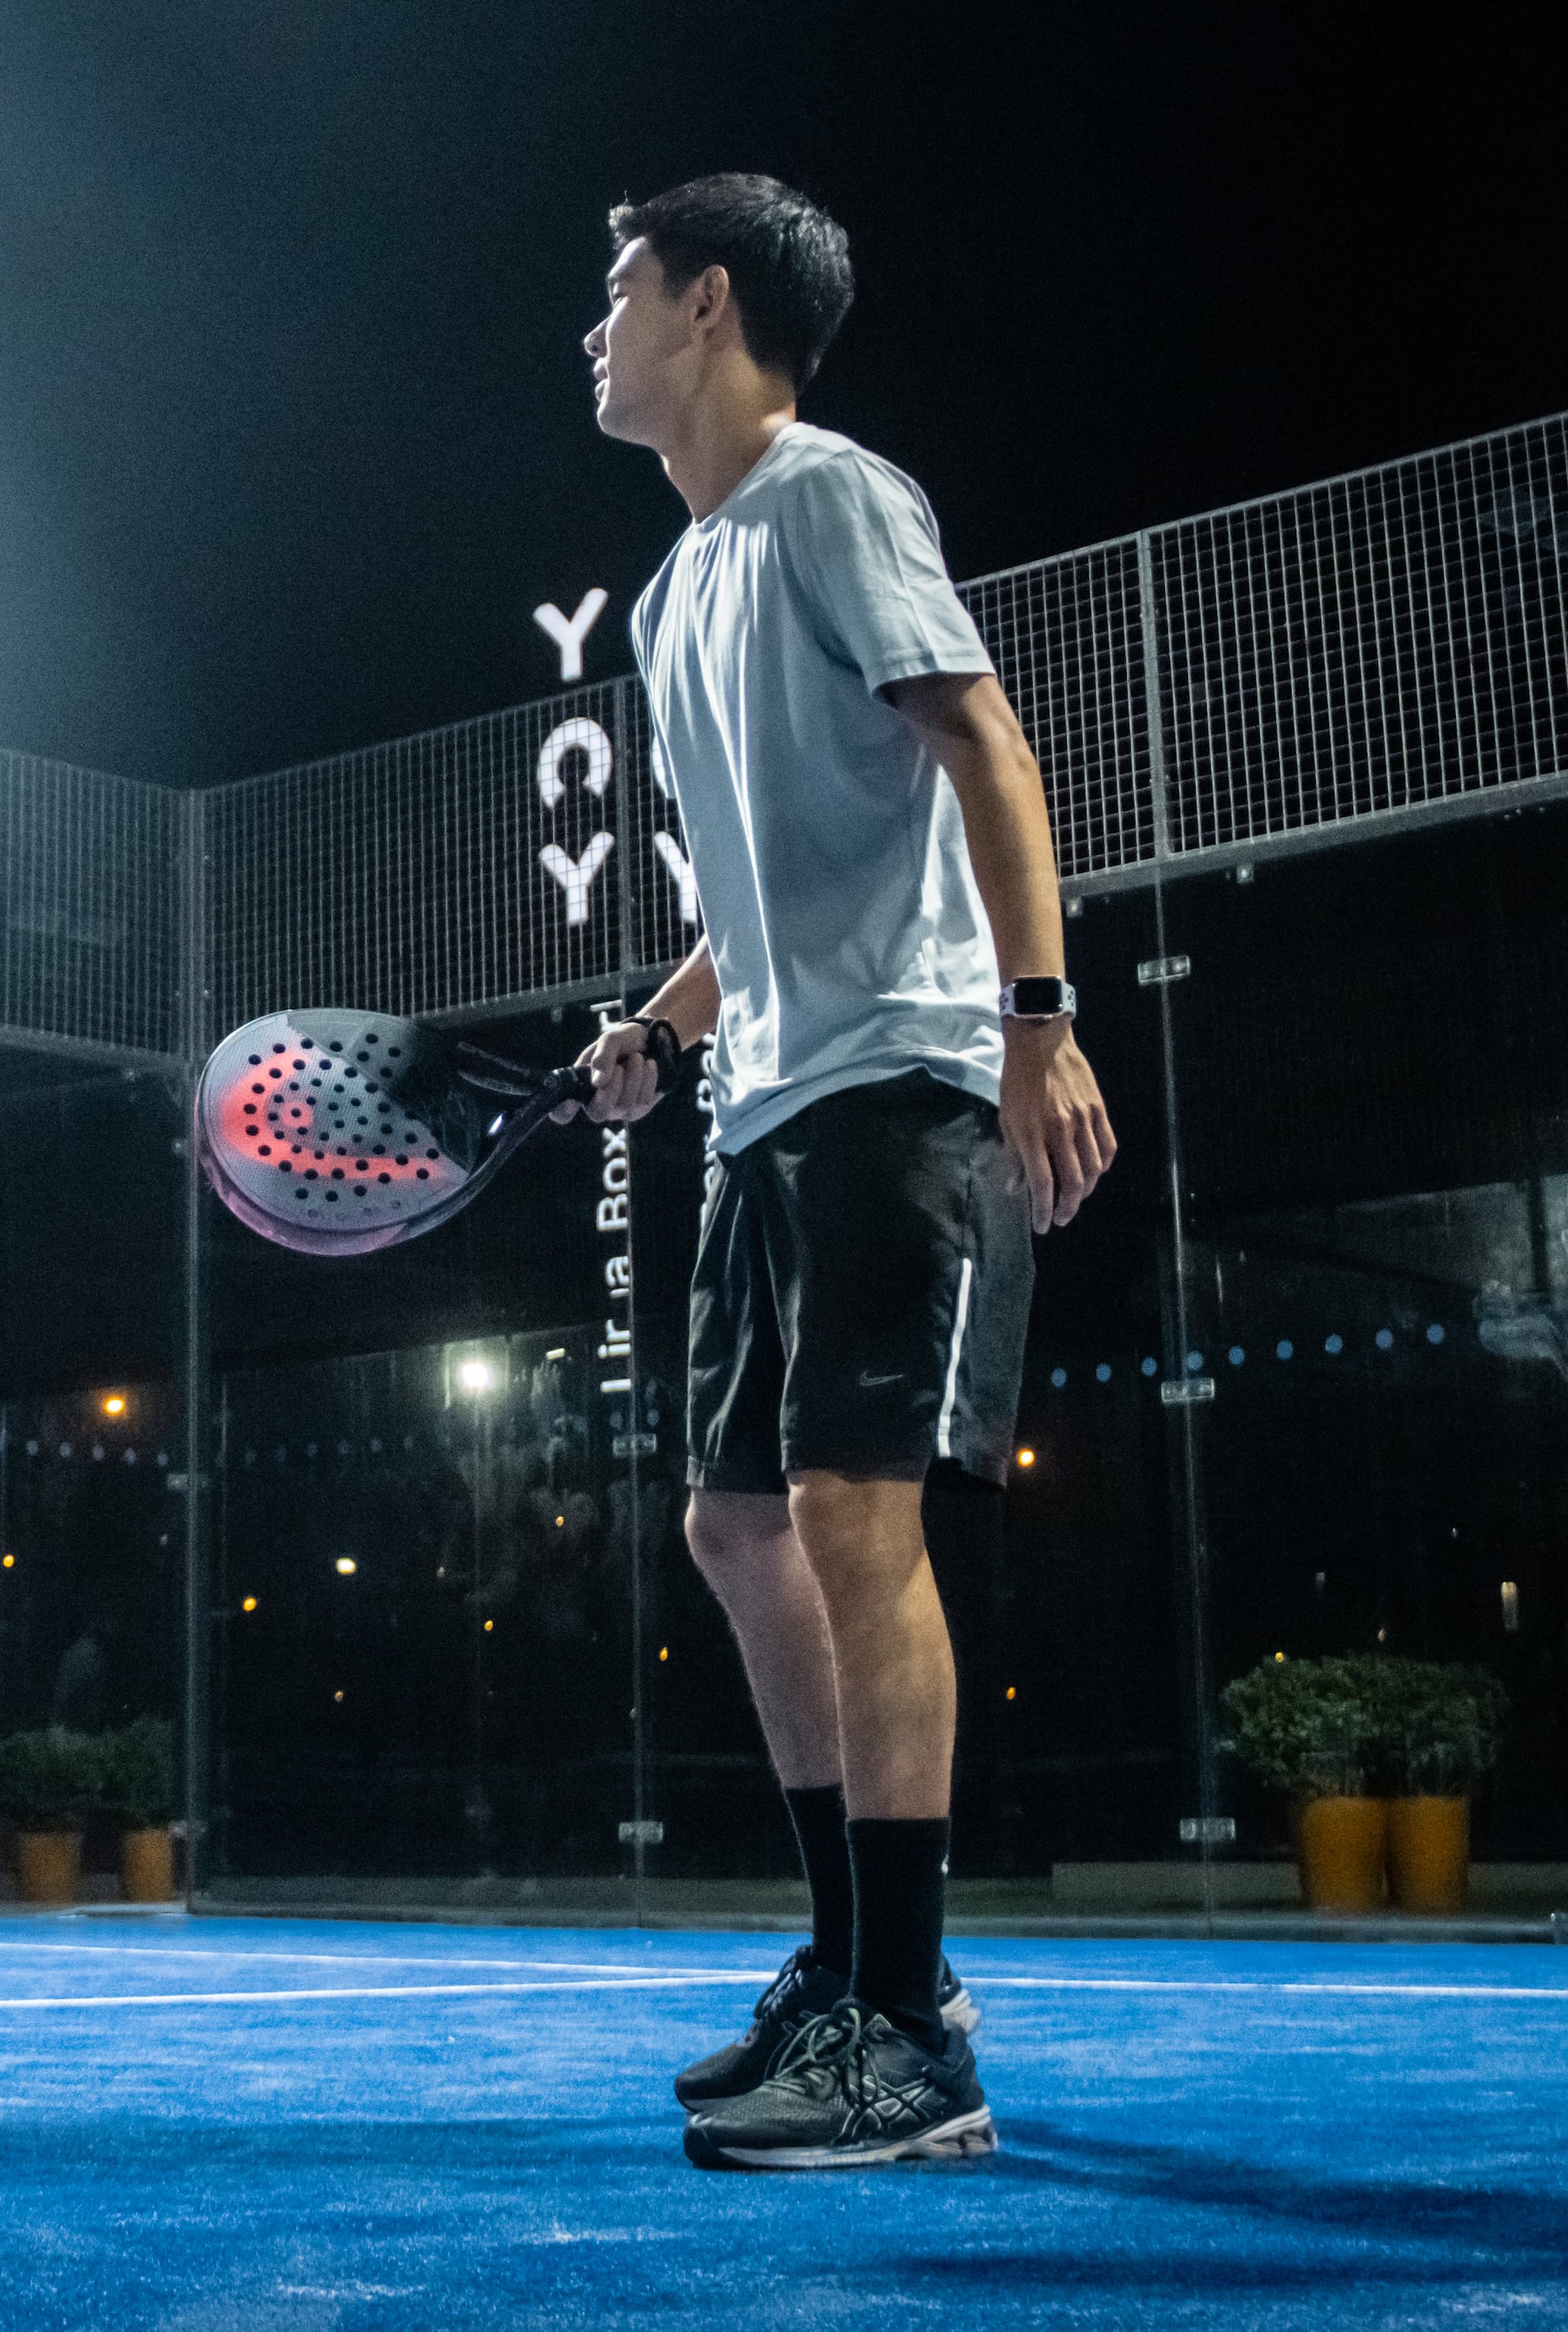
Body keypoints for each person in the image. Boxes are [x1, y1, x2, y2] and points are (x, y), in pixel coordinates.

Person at [566, 176, 1114, 2168]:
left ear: (708, 306)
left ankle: (913, 2032)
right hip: (767, 1101)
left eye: (615, 293)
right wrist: (660, 1028)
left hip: (909, 1082)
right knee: (734, 1528)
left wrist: (1036, 1021)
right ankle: (845, 1962)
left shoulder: (831, 496)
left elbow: (982, 743)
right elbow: (751, 890)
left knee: (849, 1519)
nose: (592, 330)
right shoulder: (671, 587)